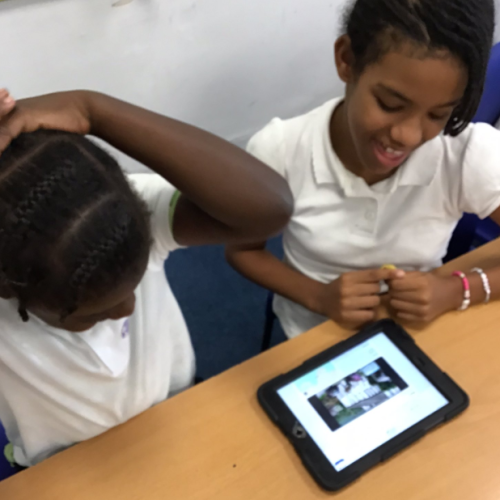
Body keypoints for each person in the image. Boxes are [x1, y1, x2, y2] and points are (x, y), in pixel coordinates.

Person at [0, 89, 293, 467]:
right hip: (64, 467)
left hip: (175, 406)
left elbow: (270, 208)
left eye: (137, 281)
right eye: (92, 314)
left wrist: (91, 110)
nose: (128, 309)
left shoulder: (123, 213)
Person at [226, 0, 500, 339]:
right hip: (312, 331)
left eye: (438, 115)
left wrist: (456, 290)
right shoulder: (280, 150)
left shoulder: (464, 152)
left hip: (416, 330)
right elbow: (242, 251)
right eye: (390, 104)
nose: (408, 135)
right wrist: (318, 296)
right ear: (347, 60)